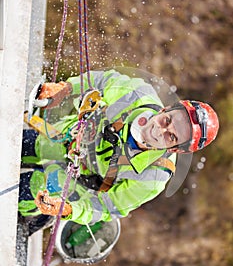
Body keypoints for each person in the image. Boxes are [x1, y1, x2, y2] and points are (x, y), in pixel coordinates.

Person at [19, 69, 219, 234]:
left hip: (83, 182)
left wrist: (70, 210)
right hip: (71, 138)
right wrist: (66, 88)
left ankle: (39, 213)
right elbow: (101, 81)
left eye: (171, 137)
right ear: (165, 109)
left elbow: (107, 206)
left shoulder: (154, 177)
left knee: (37, 186)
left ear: (176, 149)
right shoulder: (138, 94)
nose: (160, 130)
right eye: (167, 121)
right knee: (25, 144)